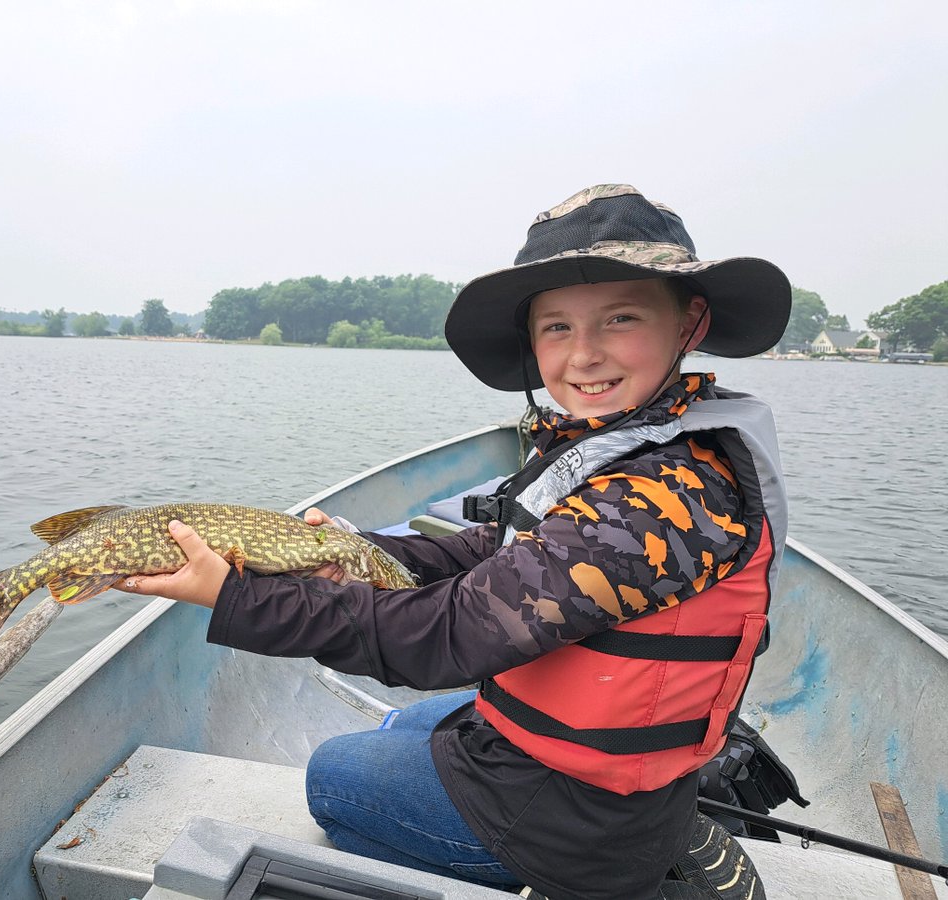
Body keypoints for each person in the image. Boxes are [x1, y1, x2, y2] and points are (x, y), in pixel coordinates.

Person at [117, 184, 792, 900]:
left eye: (620, 319)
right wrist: (350, 550)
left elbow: (447, 637)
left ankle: (632, 861)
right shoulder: (626, 442)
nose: (584, 354)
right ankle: (651, 830)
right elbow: (490, 552)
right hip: (574, 776)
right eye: (557, 328)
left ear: (688, 322)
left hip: (576, 827)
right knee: (406, 731)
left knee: (335, 776)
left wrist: (236, 597)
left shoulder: (664, 496)